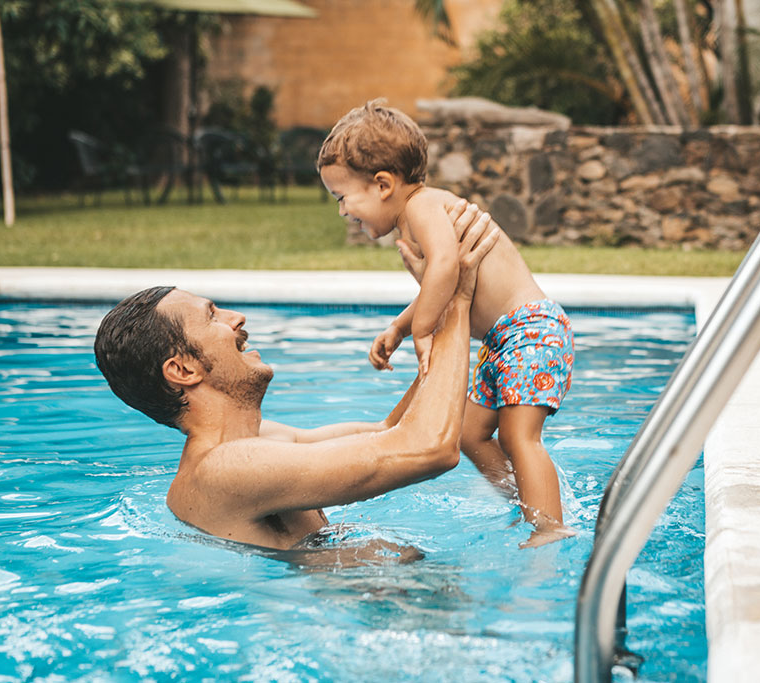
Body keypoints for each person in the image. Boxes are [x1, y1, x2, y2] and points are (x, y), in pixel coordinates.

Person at [93, 206, 499, 565]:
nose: (237, 319)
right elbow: (430, 450)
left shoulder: (258, 442)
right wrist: (457, 299)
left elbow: (392, 435)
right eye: (212, 315)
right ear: (182, 371)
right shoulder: (221, 470)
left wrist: (441, 300)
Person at [317, 100, 576, 547]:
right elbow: (440, 280)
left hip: (529, 329)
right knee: (469, 434)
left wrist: (421, 331)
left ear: (382, 184)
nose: (342, 211)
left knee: (519, 436)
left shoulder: (422, 208)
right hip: (503, 339)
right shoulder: (420, 213)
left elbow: (445, 266)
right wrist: (401, 327)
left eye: (342, 197)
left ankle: (550, 526)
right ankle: (528, 500)